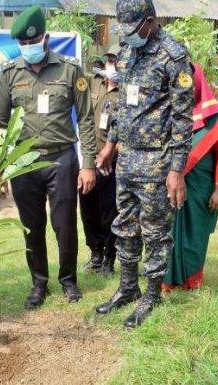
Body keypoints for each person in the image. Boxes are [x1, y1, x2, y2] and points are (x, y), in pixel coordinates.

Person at [94, 0, 193, 328]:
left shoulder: (173, 56)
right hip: (127, 157)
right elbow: (122, 105)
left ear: (150, 21)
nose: (128, 35)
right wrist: (110, 144)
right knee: (125, 225)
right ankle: (127, 288)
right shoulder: (126, 52)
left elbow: (182, 118)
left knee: (155, 231)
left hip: (157, 161)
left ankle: (151, 294)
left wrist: (176, 170)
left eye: (133, 29)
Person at [0, 6, 97, 310]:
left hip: (61, 159)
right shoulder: (10, 73)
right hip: (24, 162)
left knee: (64, 224)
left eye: (33, 41)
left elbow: (87, 118)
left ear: (46, 37)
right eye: (23, 44)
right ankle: (39, 283)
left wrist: (88, 163)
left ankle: (69, 280)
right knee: (31, 225)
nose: (29, 48)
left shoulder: (70, 69)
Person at [163, 63, 218, 291]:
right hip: (171, 184)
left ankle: (191, 279)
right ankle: (166, 278)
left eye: (187, 83)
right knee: (167, 231)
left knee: (195, 234)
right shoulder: (170, 112)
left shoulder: (216, 118)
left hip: (201, 188)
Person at [80, 44, 121, 275]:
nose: (111, 65)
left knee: (109, 211)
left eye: (115, 61)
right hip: (88, 159)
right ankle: (95, 253)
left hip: (111, 162)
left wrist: (111, 152)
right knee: (87, 209)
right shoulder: (94, 83)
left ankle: (109, 256)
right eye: (108, 60)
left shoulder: (127, 91)